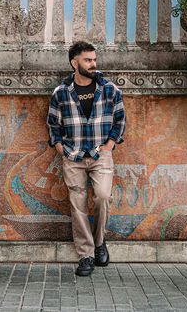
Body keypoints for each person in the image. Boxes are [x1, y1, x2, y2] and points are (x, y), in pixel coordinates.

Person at [47, 41, 126, 276]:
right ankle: (86, 255)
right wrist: (61, 148)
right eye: (87, 60)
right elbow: (53, 125)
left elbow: (120, 120)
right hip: (73, 156)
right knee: (78, 205)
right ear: (74, 63)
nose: (93, 64)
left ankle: (99, 242)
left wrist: (109, 146)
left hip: (101, 156)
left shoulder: (110, 89)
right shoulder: (61, 93)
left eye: (94, 59)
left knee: (103, 197)